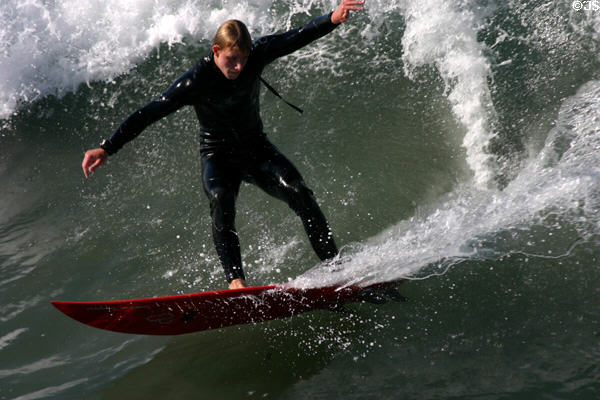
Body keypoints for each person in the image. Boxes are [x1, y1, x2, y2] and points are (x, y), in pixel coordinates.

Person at [81, 0, 365, 289]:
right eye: (232, 60)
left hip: (256, 149)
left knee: (299, 191)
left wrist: (332, 18)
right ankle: (236, 281)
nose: (239, 67)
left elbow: (294, 37)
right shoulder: (195, 81)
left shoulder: (254, 56)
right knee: (221, 199)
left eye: (243, 59)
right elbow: (149, 112)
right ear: (216, 51)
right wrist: (108, 147)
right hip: (218, 155)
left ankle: (336, 268)